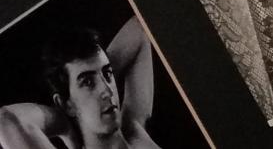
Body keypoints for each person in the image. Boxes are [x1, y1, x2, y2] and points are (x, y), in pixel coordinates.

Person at [0, 19, 161, 149]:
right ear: (65, 104)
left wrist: (99, 76)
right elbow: (6, 119)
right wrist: (64, 123)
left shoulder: (134, 131)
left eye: (108, 74)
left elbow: (141, 26)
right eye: (88, 82)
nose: (107, 91)